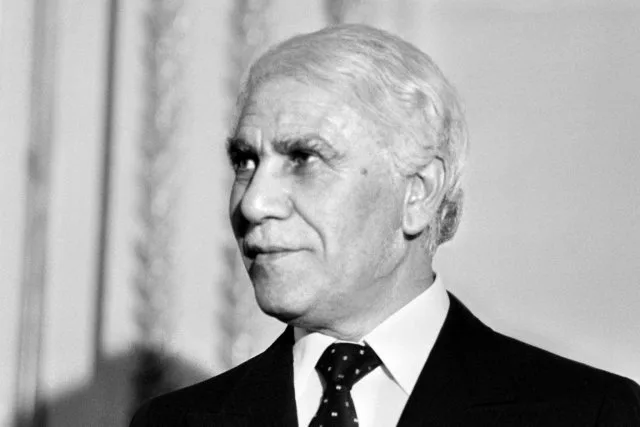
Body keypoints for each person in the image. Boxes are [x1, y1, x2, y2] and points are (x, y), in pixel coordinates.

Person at [130, 24, 640, 426]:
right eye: (245, 161)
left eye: (303, 158)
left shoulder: (590, 414)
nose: (254, 202)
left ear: (418, 192)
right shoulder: (173, 422)